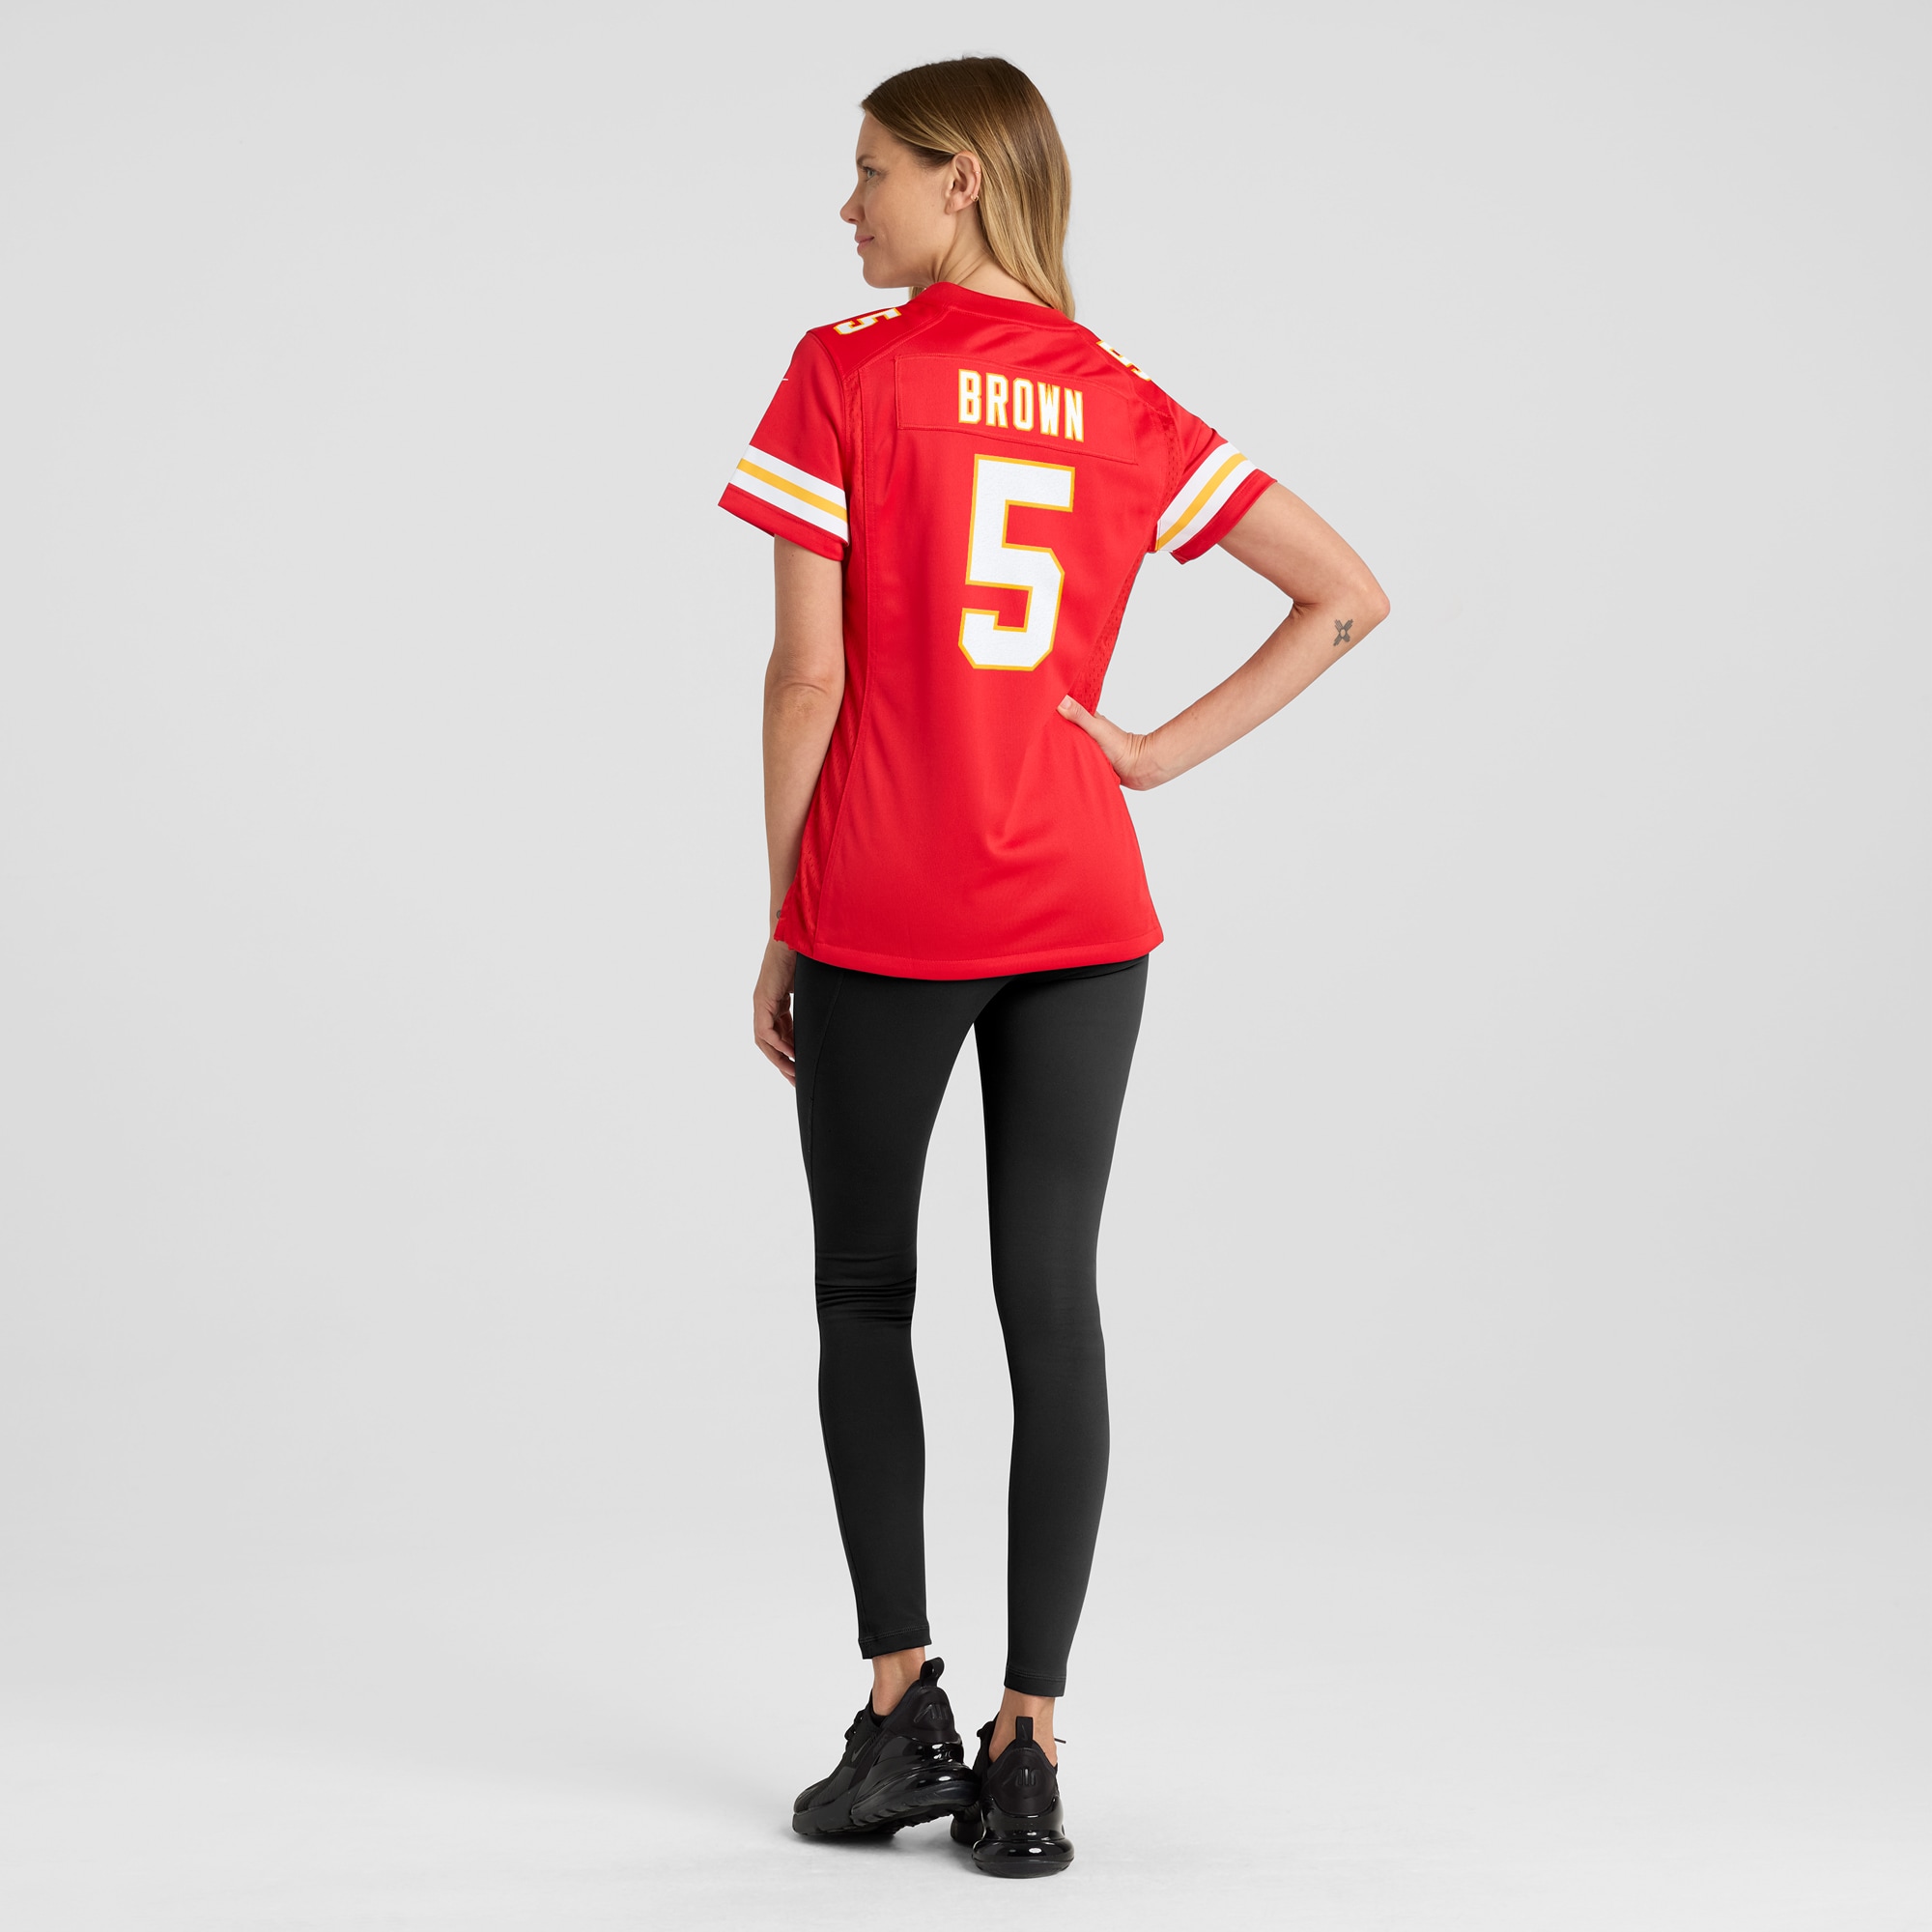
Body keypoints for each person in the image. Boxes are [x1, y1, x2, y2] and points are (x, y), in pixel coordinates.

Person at [719, 55, 1388, 1879]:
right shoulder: (1119, 402)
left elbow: (806, 678)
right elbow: (1345, 593)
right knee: (1053, 1306)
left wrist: (784, 916)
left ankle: (900, 1719)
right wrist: (1149, 757)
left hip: (887, 904)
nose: (847, 206)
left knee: (868, 1294)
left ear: (960, 178)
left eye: (871, 171)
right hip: (1086, 915)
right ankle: (1030, 1747)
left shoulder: (844, 373)